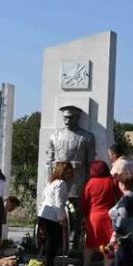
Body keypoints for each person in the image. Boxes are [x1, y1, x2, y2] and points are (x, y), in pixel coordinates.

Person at [46, 105, 96, 252]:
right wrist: (49, 182)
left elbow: (90, 164)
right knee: (56, 214)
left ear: (78, 117)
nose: (67, 120)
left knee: (75, 217)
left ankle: (74, 244)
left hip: (77, 183)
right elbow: (49, 162)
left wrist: (87, 185)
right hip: (57, 182)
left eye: (71, 117)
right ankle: (58, 244)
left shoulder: (86, 137)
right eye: (65, 117)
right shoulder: (54, 135)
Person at [82, 160, 120, 266]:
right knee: (110, 243)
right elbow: (119, 196)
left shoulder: (90, 183)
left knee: (90, 243)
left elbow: (84, 202)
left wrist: (84, 216)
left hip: (92, 216)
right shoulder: (111, 181)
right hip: (107, 216)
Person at [38, 162, 74, 266]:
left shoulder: (51, 182)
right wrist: (61, 218)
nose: (69, 175)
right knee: (53, 242)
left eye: (70, 172)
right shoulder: (61, 183)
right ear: (62, 172)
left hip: (44, 214)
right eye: (67, 172)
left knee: (50, 241)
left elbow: (44, 197)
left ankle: (48, 265)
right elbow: (59, 202)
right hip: (52, 216)